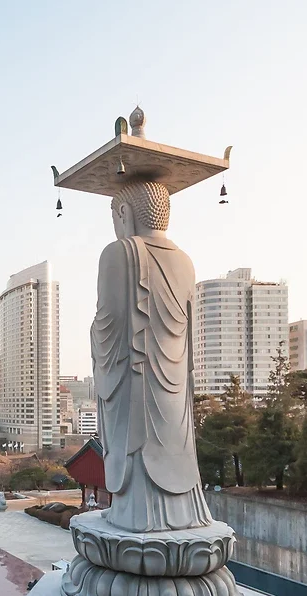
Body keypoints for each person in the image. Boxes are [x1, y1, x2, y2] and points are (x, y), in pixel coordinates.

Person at [91, 180, 212, 533]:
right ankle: (183, 513)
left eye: (115, 217)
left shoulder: (118, 253)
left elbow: (108, 326)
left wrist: (93, 333)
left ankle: (135, 514)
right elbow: (186, 340)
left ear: (124, 214)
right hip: (175, 392)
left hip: (136, 388)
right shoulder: (186, 262)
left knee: (137, 452)